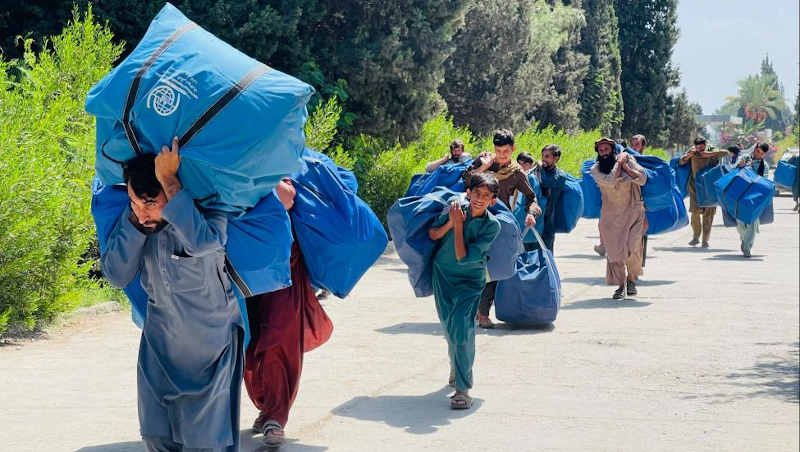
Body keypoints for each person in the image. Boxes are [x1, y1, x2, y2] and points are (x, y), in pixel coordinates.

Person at [101, 138, 245, 451]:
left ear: (172, 191)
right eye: (134, 203)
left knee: (204, 444)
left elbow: (204, 244)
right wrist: (137, 224)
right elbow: (116, 274)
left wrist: (169, 180)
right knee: (156, 438)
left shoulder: (209, 213)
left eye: (150, 203)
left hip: (210, 352)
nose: (141, 213)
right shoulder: (138, 224)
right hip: (158, 349)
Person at [244, 179, 334, 447]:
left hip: (283, 273)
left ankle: (275, 415)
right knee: (248, 346)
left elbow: (287, 197)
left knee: (277, 343)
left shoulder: (277, 167)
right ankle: (267, 404)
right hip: (242, 269)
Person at [428, 173, 501, 410]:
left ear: (493, 201)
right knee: (450, 326)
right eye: (476, 194)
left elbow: (463, 257)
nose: (480, 199)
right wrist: (451, 221)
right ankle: (456, 365)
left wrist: (458, 226)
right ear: (468, 193)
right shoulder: (455, 210)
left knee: (462, 327)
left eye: (486, 196)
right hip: (443, 275)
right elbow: (434, 234)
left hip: (470, 281)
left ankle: (463, 388)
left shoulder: (492, 225)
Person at [463, 129, 540, 329]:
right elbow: (464, 180)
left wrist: (531, 212)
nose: (502, 155)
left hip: (498, 225)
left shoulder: (516, 173)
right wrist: (485, 166)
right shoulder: (484, 162)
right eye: (498, 150)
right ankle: (469, 310)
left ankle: (483, 313)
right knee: (470, 264)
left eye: (506, 151)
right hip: (473, 220)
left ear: (513, 149)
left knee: (494, 268)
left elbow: (531, 198)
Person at [591, 137, 648, 300]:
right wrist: (619, 164)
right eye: (601, 151)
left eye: (606, 150)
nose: (603, 154)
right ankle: (621, 285)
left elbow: (642, 179)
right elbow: (610, 181)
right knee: (615, 254)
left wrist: (625, 166)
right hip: (611, 217)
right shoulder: (595, 169)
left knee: (633, 248)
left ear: (613, 150)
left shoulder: (628, 160)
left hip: (633, 213)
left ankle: (631, 279)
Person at [679, 136, 729, 248]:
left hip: (710, 187)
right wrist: (689, 156)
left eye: (702, 147)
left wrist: (707, 154)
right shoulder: (692, 151)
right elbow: (681, 162)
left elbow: (726, 152)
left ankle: (705, 240)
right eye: (698, 148)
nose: (700, 150)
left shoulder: (712, 150)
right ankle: (696, 237)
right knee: (695, 212)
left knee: (709, 214)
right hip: (695, 186)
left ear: (705, 145)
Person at [732, 143, 771, 257]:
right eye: (757, 151)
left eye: (761, 153)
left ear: (764, 155)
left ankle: (747, 246)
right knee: (741, 224)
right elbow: (733, 171)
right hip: (740, 196)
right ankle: (744, 240)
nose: (758, 154)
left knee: (752, 223)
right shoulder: (745, 158)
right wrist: (740, 166)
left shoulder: (765, 166)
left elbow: (764, 181)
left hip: (755, 198)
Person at [529, 144, 567, 252]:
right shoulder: (537, 172)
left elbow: (546, 182)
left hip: (548, 218)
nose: (543, 159)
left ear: (556, 158)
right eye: (542, 156)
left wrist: (540, 168)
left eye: (547, 156)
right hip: (534, 216)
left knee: (547, 250)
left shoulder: (560, 176)